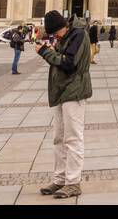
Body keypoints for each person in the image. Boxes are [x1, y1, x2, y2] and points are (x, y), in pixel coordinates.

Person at [36, 11, 93, 199]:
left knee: (73, 138)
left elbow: (68, 63)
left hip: (74, 90)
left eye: (55, 33)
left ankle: (73, 182)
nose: (55, 37)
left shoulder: (78, 35)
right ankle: (60, 179)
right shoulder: (67, 35)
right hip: (61, 91)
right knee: (58, 137)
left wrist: (45, 52)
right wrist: (50, 51)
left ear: (62, 28)